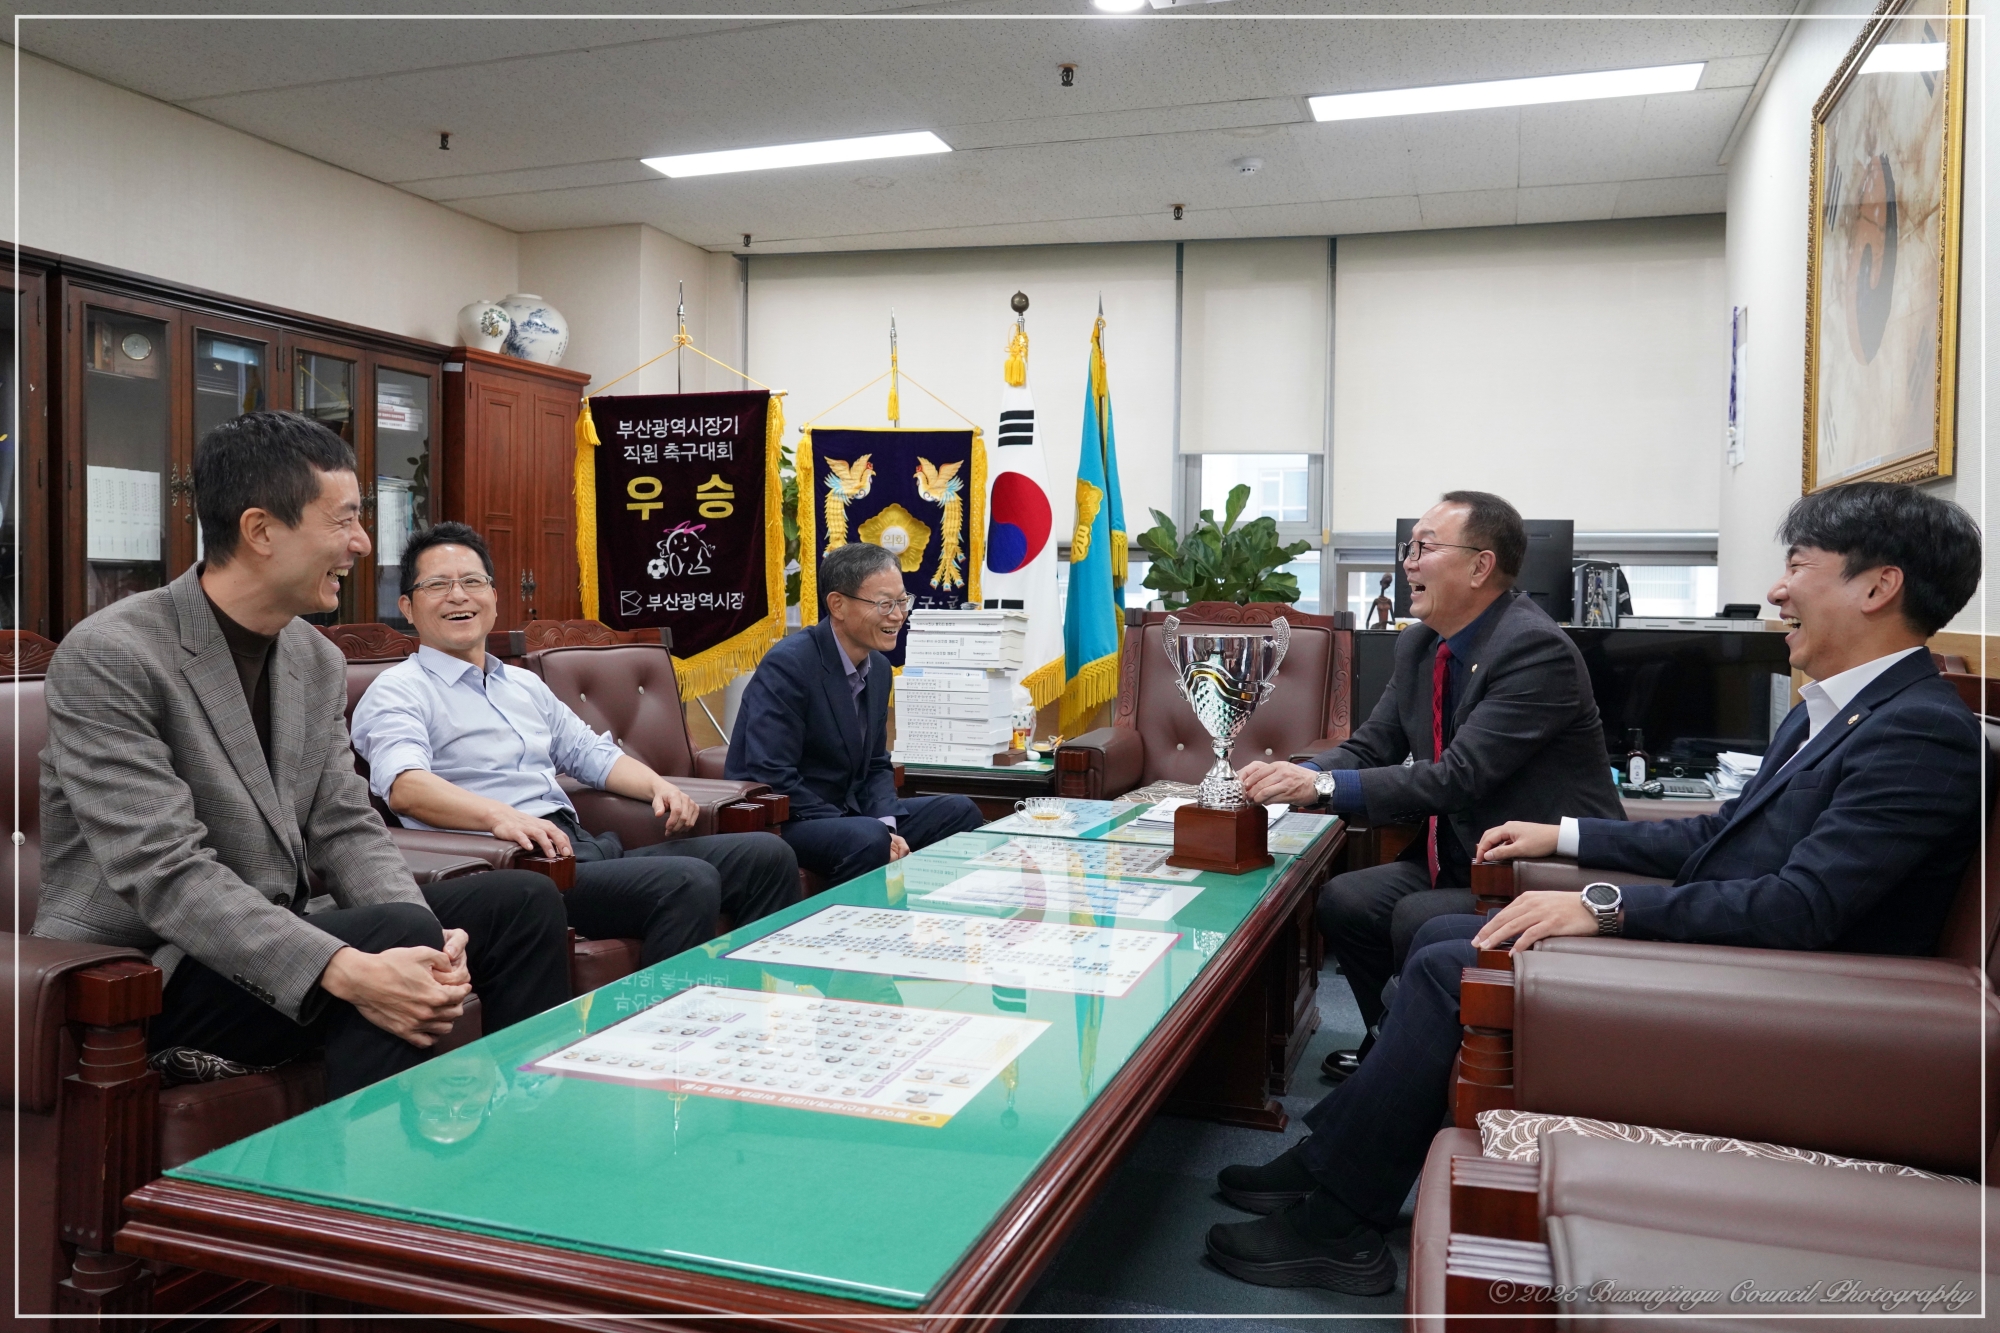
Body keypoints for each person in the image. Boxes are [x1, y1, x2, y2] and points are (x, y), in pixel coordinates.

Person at [1205, 481, 1985, 1295]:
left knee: (1450, 954)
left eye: (1795, 565)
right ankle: (1338, 1161)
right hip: (1742, 956)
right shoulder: (1834, 710)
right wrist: (1566, 836)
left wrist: (1600, 905)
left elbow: (1800, 907)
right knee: (1440, 936)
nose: (1778, 590)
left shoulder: (1920, 732)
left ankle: (1338, 1220)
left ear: (1877, 585)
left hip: (1795, 1006)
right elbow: (1716, 839)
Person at [34, 412, 571, 1101]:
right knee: (389, 939)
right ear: (261, 531)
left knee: (521, 903)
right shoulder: (112, 654)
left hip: (279, 931)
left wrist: (432, 945)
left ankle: (526, 1139)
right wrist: (343, 965)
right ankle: (361, 1197)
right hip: (147, 969)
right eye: (344, 519)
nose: (361, 542)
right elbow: (164, 871)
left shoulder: (313, 656)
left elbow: (347, 824)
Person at [1237, 491, 1621, 1082]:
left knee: (1416, 915)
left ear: (1479, 565)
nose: (1407, 563)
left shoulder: (1533, 648)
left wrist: (1325, 791)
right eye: (1407, 548)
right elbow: (1372, 746)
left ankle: (1411, 1072)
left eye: (1424, 548)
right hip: (1461, 855)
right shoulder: (1420, 644)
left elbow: (1459, 776)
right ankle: (1385, 1047)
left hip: (1536, 870)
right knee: (1346, 901)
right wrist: (1300, 775)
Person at [351, 522, 798, 969]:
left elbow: (590, 754)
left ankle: (755, 999)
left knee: (766, 855)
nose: (459, 595)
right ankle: (664, 1029)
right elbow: (406, 786)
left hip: (582, 848)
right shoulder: (399, 690)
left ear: (493, 596)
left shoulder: (521, 684)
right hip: (517, 870)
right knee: (686, 880)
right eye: (437, 585)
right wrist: (501, 816)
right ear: (407, 606)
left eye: (472, 581)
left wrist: (659, 789)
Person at [727, 542, 986, 883]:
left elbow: (877, 763)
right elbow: (771, 772)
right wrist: (864, 826)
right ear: (838, 604)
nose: (898, 615)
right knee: (867, 837)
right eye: (884, 604)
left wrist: (885, 821)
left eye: (902, 601)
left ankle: (927, 915)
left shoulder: (878, 668)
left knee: (958, 811)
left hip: (851, 814)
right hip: (786, 818)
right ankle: (850, 926)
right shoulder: (789, 664)